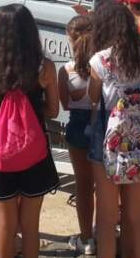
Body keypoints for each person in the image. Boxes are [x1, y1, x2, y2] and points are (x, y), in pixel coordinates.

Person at [89, 0, 140, 258]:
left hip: (108, 145)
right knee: (136, 216)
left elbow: (93, 99)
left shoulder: (101, 60)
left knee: (107, 218)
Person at [0, 4, 60, 258]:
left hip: (1, 154)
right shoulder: (44, 67)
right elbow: (53, 110)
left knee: (5, 225)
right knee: (30, 225)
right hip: (34, 151)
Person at [59, 15, 96, 256]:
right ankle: (106, 230)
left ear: (71, 39)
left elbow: (64, 104)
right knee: (105, 186)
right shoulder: (102, 65)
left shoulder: (65, 70)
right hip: (101, 126)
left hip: (78, 127)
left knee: (83, 186)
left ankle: (87, 239)